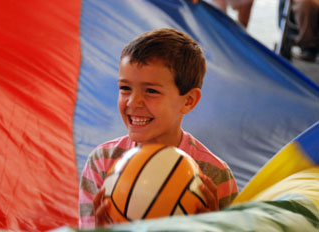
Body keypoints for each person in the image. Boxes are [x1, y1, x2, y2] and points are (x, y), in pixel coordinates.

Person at [78, 28, 239, 229]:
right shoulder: (102, 163)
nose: (133, 102)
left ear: (188, 101)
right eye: (125, 88)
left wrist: (212, 227)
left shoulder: (215, 175)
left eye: (151, 91)